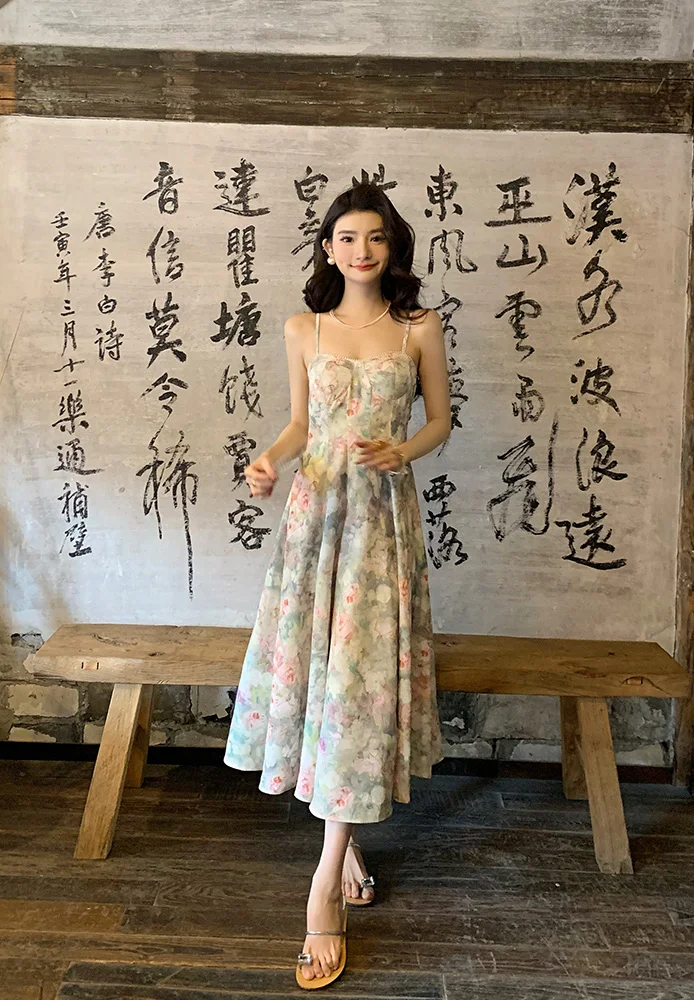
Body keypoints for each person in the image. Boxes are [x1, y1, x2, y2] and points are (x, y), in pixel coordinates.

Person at [223, 182, 451, 987]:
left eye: (376, 238)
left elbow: (440, 420)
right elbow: (300, 424)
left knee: (358, 685)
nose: (362, 250)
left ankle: (324, 882)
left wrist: (402, 452)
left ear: (393, 248)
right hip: (315, 516)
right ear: (328, 248)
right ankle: (346, 841)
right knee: (319, 677)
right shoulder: (304, 327)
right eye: (348, 238)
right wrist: (267, 461)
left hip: (379, 522)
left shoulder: (419, 326)